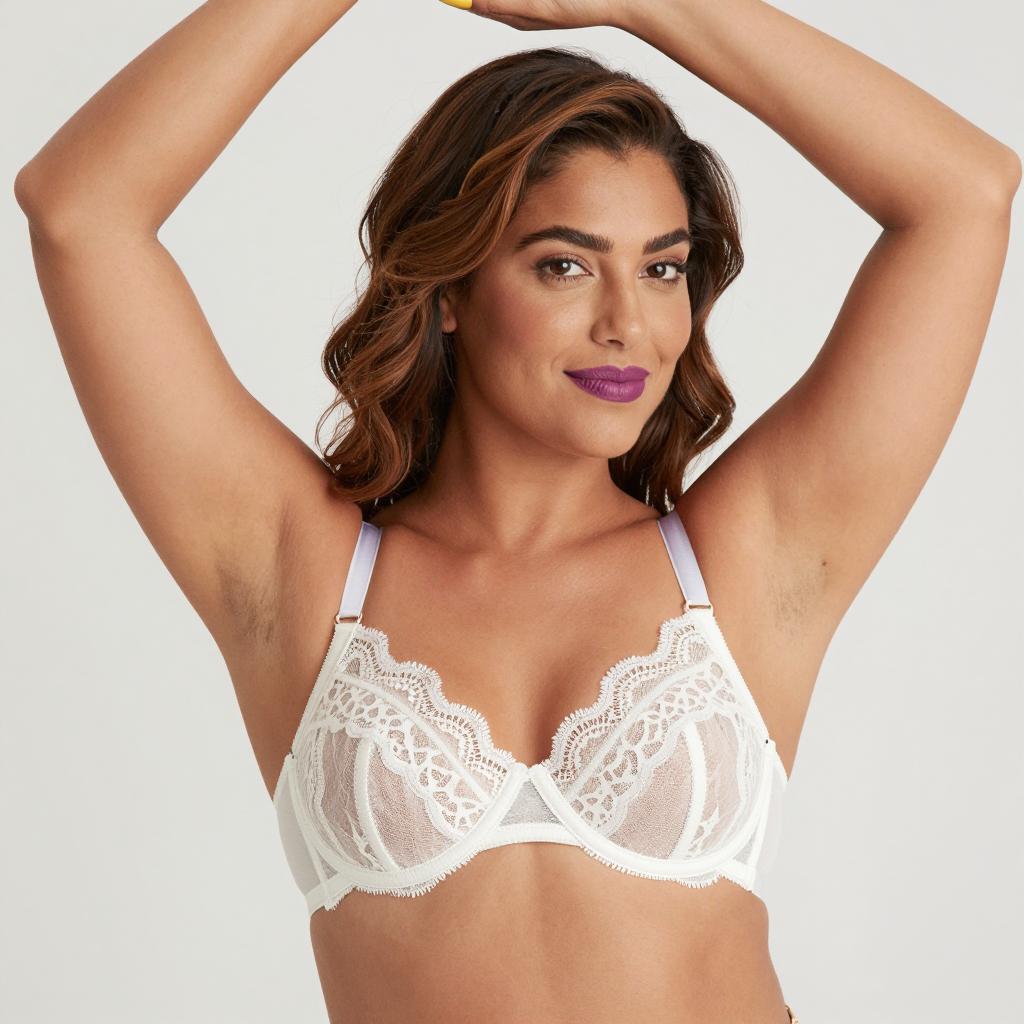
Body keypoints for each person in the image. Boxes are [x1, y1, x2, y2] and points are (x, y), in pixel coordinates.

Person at [14, 0, 1018, 1020]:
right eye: (565, 266)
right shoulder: (299, 570)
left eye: (661, 268)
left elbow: (966, 194)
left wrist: (644, 4)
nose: (628, 323)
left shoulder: (748, 560)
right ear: (450, 288)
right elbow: (78, 210)